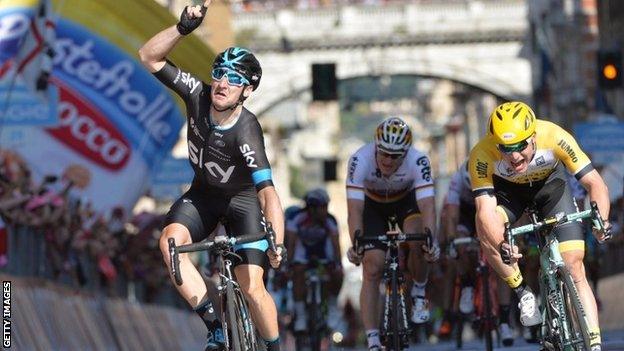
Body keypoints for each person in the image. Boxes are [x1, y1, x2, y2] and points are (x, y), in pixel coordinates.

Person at [138, 2, 285, 350]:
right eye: (219, 72)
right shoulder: (197, 93)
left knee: (252, 286)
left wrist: (277, 241)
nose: (222, 83)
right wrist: (181, 28)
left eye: (234, 79)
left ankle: (275, 345)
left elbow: (268, 192)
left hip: (243, 203)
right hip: (203, 194)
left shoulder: (247, 131)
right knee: (170, 245)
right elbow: (149, 57)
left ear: (247, 90)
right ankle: (215, 327)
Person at [468, 101, 612, 351]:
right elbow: (485, 210)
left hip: (551, 189)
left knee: (574, 265)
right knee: (484, 230)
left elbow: (595, 183)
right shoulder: (481, 153)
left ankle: (594, 342)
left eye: (520, 146)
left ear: (533, 136)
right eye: (505, 148)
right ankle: (522, 290)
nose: (513, 156)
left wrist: (602, 221)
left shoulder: (555, 135)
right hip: (509, 195)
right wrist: (502, 243)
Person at [345, 117, 440, 351]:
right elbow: (354, 210)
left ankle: (418, 291)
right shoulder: (360, 159)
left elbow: (428, 206)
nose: (388, 160)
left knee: (418, 238)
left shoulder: (419, 160)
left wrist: (432, 240)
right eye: (384, 153)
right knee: (373, 266)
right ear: (376, 146)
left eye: (395, 155)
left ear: (405, 153)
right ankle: (373, 339)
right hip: (372, 207)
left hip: (406, 203)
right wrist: (356, 244)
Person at [440, 160, 514, 346]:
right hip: (465, 216)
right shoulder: (457, 179)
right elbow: (452, 215)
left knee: (503, 262)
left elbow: (508, 210)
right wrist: (452, 241)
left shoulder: (495, 175)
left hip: (490, 209)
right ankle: (467, 282)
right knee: (459, 243)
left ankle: (504, 320)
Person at [286, 188, 343, 333]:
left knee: (337, 273)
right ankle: (301, 315)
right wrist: (288, 265)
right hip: (302, 250)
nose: (325, 210)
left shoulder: (330, 220)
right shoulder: (296, 218)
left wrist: (338, 264)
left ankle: (332, 308)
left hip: (323, 250)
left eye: (326, 206)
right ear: (311, 208)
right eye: (322, 207)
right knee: (297, 271)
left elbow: (336, 246)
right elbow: (291, 243)